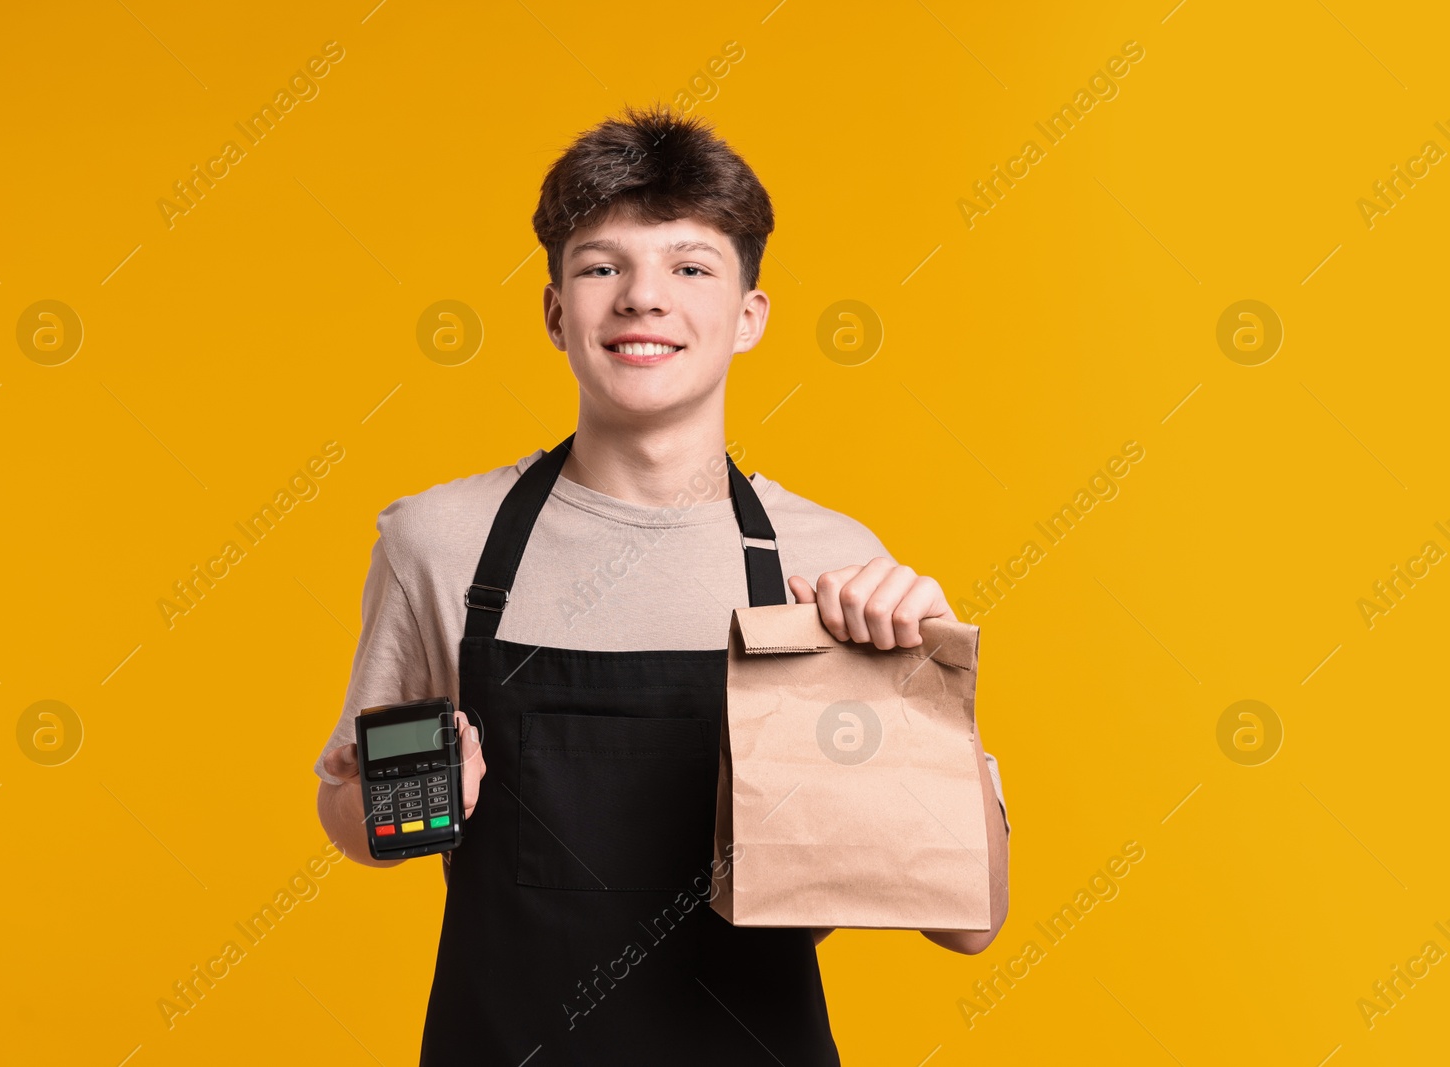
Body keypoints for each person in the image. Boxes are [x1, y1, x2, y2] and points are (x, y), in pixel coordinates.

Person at [313, 103, 1011, 1065]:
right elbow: (355, 816)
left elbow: (970, 924)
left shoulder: (831, 562)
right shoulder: (439, 541)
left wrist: (929, 694)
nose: (644, 298)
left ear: (748, 315)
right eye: (603, 266)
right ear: (557, 311)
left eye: (691, 267)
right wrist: (411, 796)